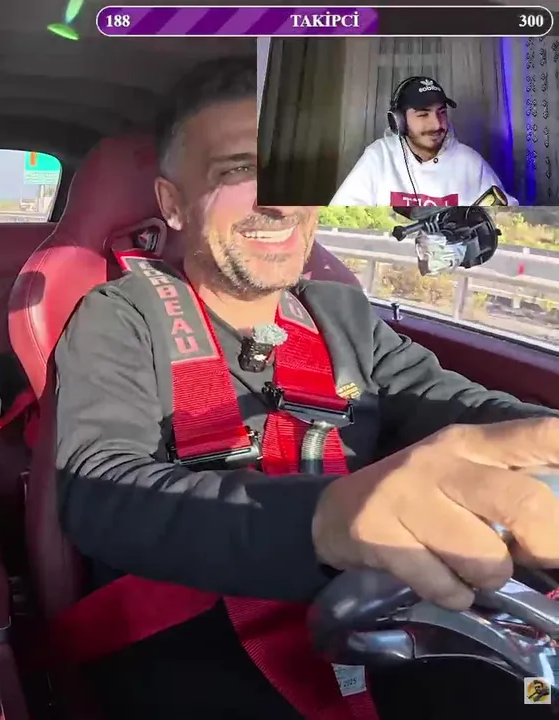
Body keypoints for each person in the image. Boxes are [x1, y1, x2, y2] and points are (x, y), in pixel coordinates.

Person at [54, 58, 559, 719]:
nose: (279, 201)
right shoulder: (122, 316)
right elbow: (100, 488)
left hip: (387, 624)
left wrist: (542, 441)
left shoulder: (340, 312)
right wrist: (327, 518)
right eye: (238, 171)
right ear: (173, 204)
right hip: (195, 645)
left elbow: (453, 403)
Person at [329, 75, 518, 206]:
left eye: (441, 113)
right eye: (423, 114)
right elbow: (343, 211)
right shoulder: (379, 157)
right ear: (398, 121)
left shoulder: (471, 163)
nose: (436, 124)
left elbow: (506, 214)